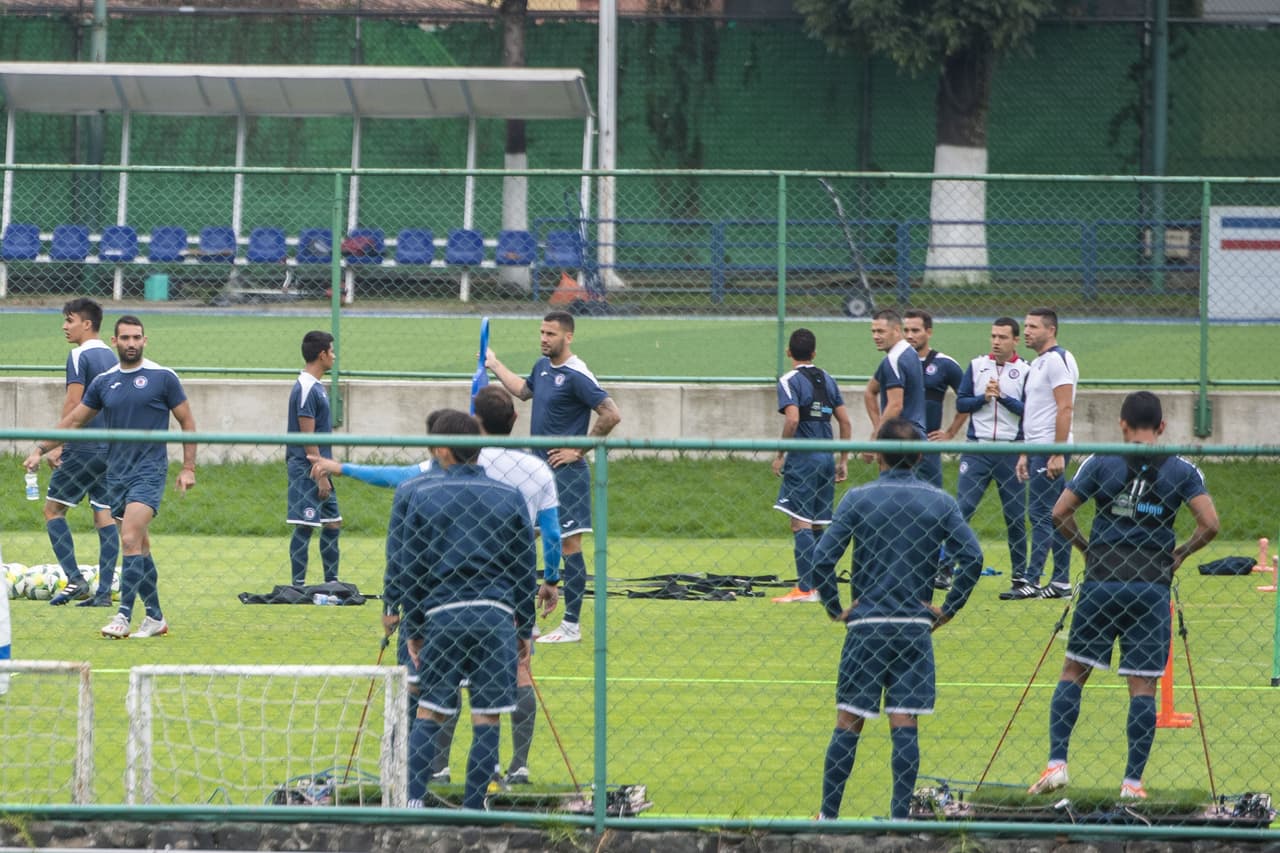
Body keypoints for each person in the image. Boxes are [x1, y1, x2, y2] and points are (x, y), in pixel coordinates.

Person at [310, 385, 560, 785]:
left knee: (431, 693)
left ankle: (431, 774)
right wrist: (549, 581)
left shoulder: (431, 476)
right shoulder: (534, 472)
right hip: (501, 603)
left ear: (471, 425)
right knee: (510, 685)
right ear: (514, 420)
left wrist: (342, 468)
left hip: (438, 603)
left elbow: (398, 497)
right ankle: (513, 769)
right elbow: (545, 535)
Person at [1027, 391, 1218, 800]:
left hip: (1103, 580)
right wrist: (1180, 552)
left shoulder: (1099, 461)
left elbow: (1059, 513)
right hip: (1150, 584)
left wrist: (1086, 548)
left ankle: (1057, 762)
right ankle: (1132, 783)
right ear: (1162, 427)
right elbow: (1211, 524)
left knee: (1074, 671)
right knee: (1143, 687)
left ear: (1122, 424)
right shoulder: (1183, 469)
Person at [810, 417, 984, 821]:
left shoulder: (857, 499)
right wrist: (948, 608)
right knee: (904, 720)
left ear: (877, 453)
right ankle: (901, 819)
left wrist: (835, 607)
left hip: (867, 624)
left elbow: (821, 560)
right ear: (920, 455)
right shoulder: (939, 501)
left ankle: (828, 816)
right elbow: (973, 557)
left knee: (849, 720)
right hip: (914, 626)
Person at [383, 409, 537, 811]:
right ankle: (473, 808)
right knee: (487, 716)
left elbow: (411, 568)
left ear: (443, 449)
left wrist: (413, 627)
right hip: (495, 618)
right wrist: (525, 630)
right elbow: (524, 568)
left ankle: (413, 801)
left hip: (442, 616)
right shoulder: (509, 496)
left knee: (431, 710)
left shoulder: (421, 494)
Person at [24, 315, 197, 639]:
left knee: (129, 538)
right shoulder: (104, 382)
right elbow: (74, 420)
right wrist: (41, 448)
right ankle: (156, 617)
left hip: (149, 472)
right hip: (115, 473)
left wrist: (189, 468)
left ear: (145, 341)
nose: (131, 343)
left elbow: (187, 421)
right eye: (125, 338)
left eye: (137, 337)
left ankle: (123, 617)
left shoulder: (163, 377)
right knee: (140, 547)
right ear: (114, 342)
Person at [485, 310, 622, 644]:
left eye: (551, 334)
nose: (544, 339)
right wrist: (494, 364)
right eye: (542, 333)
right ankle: (523, 621)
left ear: (568, 337)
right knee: (518, 540)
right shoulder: (541, 366)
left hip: (566, 475)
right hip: (535, 474)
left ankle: (571, 626)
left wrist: (579, 450)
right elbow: (522, 390)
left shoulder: (577, 374)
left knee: (568, 543)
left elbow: (611, 413)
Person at [37, 298, 120, 607]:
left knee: (53, 510)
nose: (64, 326)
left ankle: (75, 579)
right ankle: (102, 595)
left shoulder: (78, 355)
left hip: (83, 446)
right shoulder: (111, 356)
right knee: (104, 514)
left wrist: (57, 443)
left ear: (86, 324)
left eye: (69, 320)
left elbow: (74, 404)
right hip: (109, 447)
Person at [770, 328, 852, 604]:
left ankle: (805, 589)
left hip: (804, 459)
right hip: (827, 458)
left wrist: (781, 454)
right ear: (814, 353)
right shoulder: (828, 379)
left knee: (800, 523)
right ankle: (820, 585)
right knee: (818, 525)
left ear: (788, 353)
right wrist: (842, 460)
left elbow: (792, 419)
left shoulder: (788, 380)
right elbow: (845, 422)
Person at [1010, 308, 1080, 600]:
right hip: (1037, 448)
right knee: (1055, 514)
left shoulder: (1057, 361)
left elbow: (1065, 407)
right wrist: (1025, 452)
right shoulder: (1038, 363)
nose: (1026, 331)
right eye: (1025, 326)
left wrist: (1057, 451)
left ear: (1051, 330)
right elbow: (1034, 412)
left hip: (1050, 449)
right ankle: (1060, 581)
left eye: (1033, 326)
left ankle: (1032, 579)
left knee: (1040, 513)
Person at [954, 317, 1029, 584]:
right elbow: (962, 404)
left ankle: (1020, 575)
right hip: (977, 449)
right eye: (993, 336)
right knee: (962, 509)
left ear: (1015, 340)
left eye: (1003, 337)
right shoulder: (976, 366)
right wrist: (983, 399)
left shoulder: (1025, 370)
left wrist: (1004, 399)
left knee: (1015, 516)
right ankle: (944, 566)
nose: (996, 342)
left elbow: (1029, 412)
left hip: (1010, 452)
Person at [286, 331, 341, 586]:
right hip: (308, 469)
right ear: (322, 355)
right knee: (305, 524)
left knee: (333, 523)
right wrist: (319, 473)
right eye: (332, 351)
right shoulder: (307, 387)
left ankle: (332, 583)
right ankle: (298, 586)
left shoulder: (317, 387)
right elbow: (307, 436)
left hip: (322, 467)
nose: (334, 355)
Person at [861, 309, 926, 465]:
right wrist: (879, 426)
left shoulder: (893, 360)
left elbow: (895, 405)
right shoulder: (909, 352)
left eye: (881, 331)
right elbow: (870, 391)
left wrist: (876, 437)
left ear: (897, 330)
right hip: (919, 438)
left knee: (892, 487)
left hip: (901, 441)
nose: (875, 336)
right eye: (873, 331)